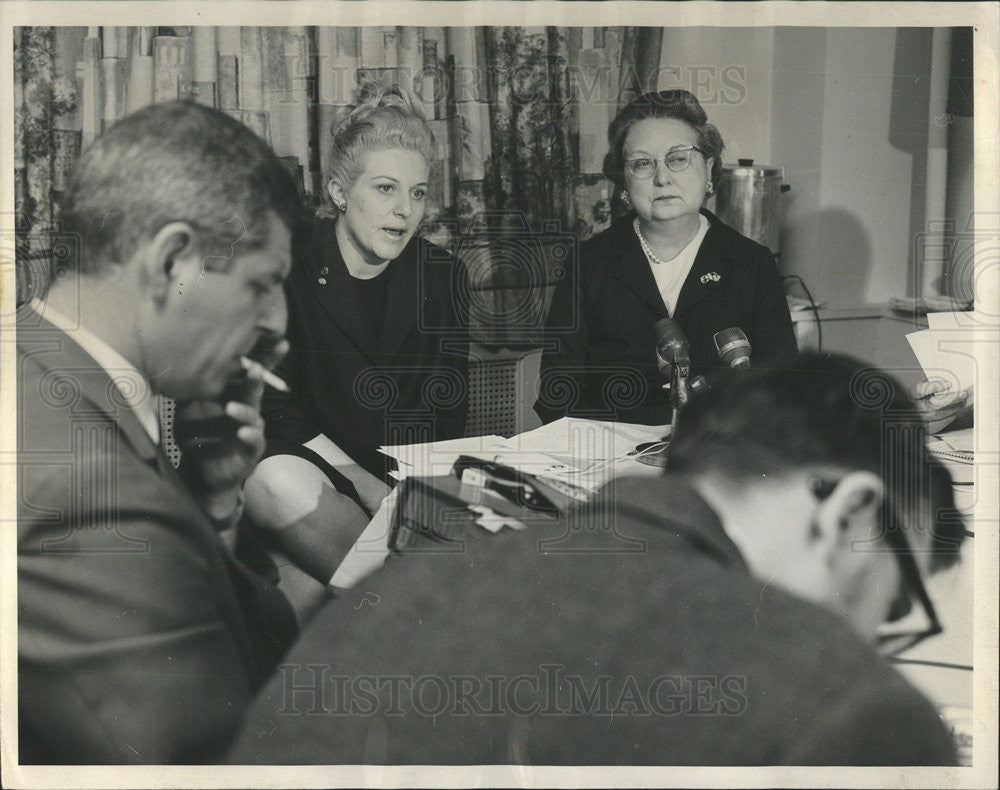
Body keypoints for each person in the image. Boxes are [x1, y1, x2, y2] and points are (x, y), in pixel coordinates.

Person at [227, 353, 964, 766]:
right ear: (850, 514)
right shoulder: (848, 713)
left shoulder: (393, 588)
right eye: (894, 605)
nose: (873, 646)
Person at [17, 102, 301, 763]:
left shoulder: (31, 361)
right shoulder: (88, 490)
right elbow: (218, 758)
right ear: (176, 261)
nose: (276, 324)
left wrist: (214, 502)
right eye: (262, 283)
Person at [244, 84, 469, 586]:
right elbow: (278, 412)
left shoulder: (442, 275)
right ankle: (407, 608)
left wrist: (420, 496)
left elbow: (448, 412)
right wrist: (363, 483)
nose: (405, 211)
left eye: (417, 193)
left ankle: (400, 607)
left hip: (405, 488)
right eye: (385, 189)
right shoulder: (288, 269)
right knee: (274, 478)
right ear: (340, 193)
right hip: (312, 472)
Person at [536, 89, 798, 425]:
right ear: (623, 185)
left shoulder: (751, 264)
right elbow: (558, 394)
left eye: (678, 158)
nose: (662, 178)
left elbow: (782, 389)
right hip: (610, 458)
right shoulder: (589, 263)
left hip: (717, 457)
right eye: (642, 163)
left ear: (709, 170)